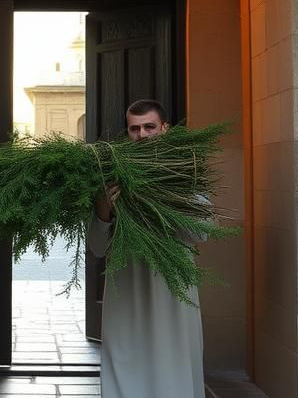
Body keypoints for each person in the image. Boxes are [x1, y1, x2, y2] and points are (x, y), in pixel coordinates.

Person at [87, 99, 206, 398]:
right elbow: (98, 248)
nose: (142, 135)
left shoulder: (186, 171)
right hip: (125, 292)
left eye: (149, 127)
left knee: (174, 369)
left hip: (172, 294)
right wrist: (102, 211)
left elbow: (200, 234)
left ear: (164, 128)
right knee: (125, 370)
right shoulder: (108, 175)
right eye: (134, 128)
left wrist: (165, 200)